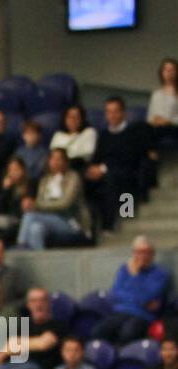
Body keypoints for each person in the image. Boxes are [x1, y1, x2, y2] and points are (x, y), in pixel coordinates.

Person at [84, 97, 151, 233]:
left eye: (115, 111)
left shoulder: (132, 133)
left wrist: (103, 169)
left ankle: (111, 224)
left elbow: (129, 159)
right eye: (109, 112)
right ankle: (88, 229)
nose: (112, 115)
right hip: (105, 173)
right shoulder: (103, 135)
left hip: (127, 175)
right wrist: (92, 169)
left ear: (123, 113)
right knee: (85, 180)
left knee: (111, 179)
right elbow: (97, 157)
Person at [92, 236, 170, 346]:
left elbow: (147, 296)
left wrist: (135, 275)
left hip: (143, 315)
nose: (141, 256)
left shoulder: (160, 274)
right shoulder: (124, 269)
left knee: (127, 334)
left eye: (145, 252)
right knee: (98, 331)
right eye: (137, 252)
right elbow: (116, 293)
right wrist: (137, 299)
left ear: (152, 254)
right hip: (121, 312)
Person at [15, 148, 90, 250]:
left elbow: (65, 203)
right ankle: (41, 262)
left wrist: (36, 205)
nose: (55, 162)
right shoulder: (45, 180)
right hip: (47, 219)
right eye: (52, 159)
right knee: (36, 229)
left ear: (65, 161)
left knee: (30, 215)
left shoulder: (73, 177)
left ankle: (21, 246)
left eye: (59, 159)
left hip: (70, 221)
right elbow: (40, 201)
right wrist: (34, 204)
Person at [148, 58, 178, 151]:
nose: (168, 72)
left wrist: (167, 121)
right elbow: (150, 116)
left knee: (159, 130)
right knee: (138, 128)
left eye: (171, 69)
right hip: (157, 127)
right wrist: (154, 120)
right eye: (166, 69)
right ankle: (151, 154)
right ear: (162, 72)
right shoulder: (156, 94)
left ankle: (151, 151)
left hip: (173, 127)